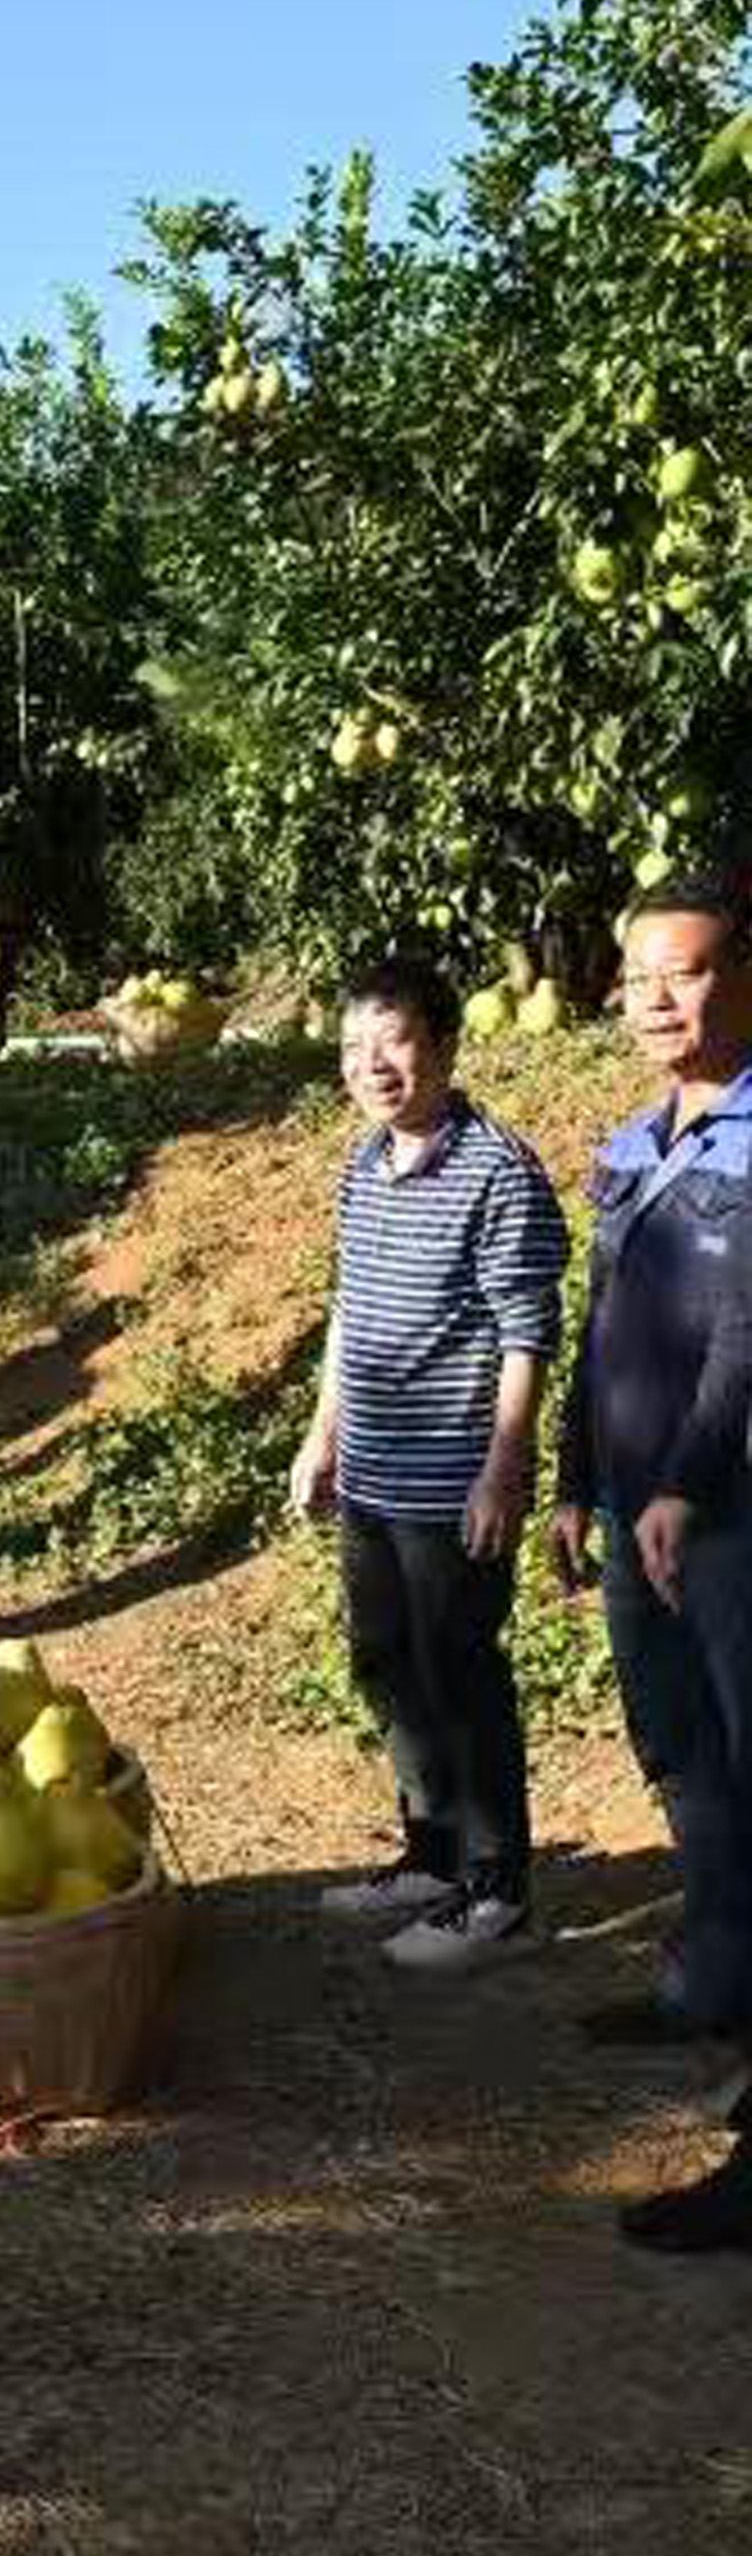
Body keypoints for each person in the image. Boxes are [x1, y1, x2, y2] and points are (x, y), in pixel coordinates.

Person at [545, 871, 752, 2249]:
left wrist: (680, 1482)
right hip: (634, 1516)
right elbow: (605, 1316)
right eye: (636, 979)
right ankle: (717, 1985)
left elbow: (747, 1336)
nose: (654, 1000)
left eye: (681, 973)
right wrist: (575, 1479)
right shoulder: (634, 1140)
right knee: (681, 1757)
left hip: (727, 1519)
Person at [289, 958, 568, 1970]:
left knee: (462, 1671)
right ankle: (433, 1853)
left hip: (453, 1486)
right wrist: (324, 1436)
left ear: (445, 1046)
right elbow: (349, 1312)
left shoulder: (501, 1171)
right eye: (354, 1049)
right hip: (371, 1472)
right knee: (386, 1664)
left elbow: (527, 1329)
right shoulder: (363, 1164)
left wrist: (505, 1466)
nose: (373, 1066)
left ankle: (499, 1892)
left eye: (393, 1042)